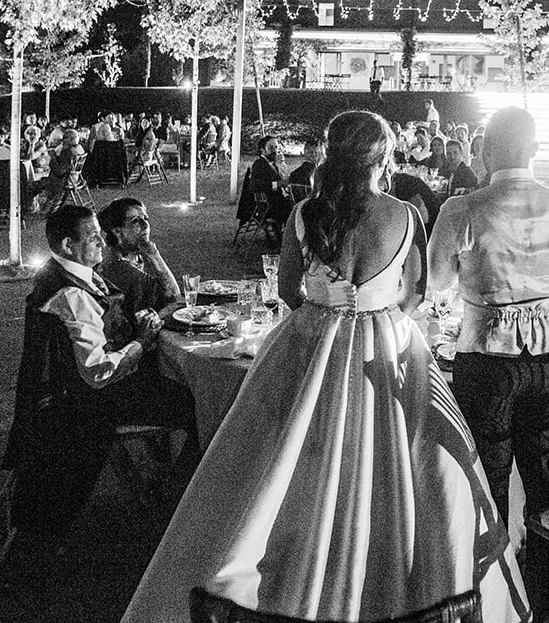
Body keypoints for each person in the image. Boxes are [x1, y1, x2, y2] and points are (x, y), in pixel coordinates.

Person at [123, 112, 527, 622]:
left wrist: (328, 303)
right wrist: (378, 307)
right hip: (387, 346)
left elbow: (290, 291)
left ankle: (288, 559)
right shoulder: (405, 214)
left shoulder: (305, 213)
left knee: (282, 460)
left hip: (311, 339)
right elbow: (418, 292)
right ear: (382, 156)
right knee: (400, 461)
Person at [428, 105, 549, 591]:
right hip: (548, 359)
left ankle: (490, 591)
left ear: (483, 152)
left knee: (487, 478)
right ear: (535, 150)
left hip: (485, 361)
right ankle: (543, 588)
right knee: (545, 479)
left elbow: (436, 283)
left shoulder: (461, 209)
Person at [2, 205, 173, 539]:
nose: (102, 242)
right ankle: (185, 497)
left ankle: (169, 482)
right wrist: (140, 341)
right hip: (88, 404)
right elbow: (98, 372)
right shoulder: (72, 293)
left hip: (62, 396)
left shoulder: (62, 275)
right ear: (68, 245)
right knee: (195, 398)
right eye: (94, 237)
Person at [94, 197, 199, 452]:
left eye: (146, 220)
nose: (144, 225)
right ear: (116, 233)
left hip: (120, 370)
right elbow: (177, 300)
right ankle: (181, 480)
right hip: (125, 375)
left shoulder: (117, 264)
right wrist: (154, 254)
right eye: (135, 221)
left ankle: (164, 461)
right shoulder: (126, 273)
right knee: (202, 402)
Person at [240, 134, 291, 243]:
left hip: (277, 202)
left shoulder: (272, 164)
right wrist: (277, 184)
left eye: (277, 147)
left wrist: (281, 164)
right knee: (297, 208)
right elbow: (254, 186)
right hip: (268, 207)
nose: (275, 150)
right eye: (271, 148)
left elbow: (284, 179)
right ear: (263, 150)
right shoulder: (259, 164)